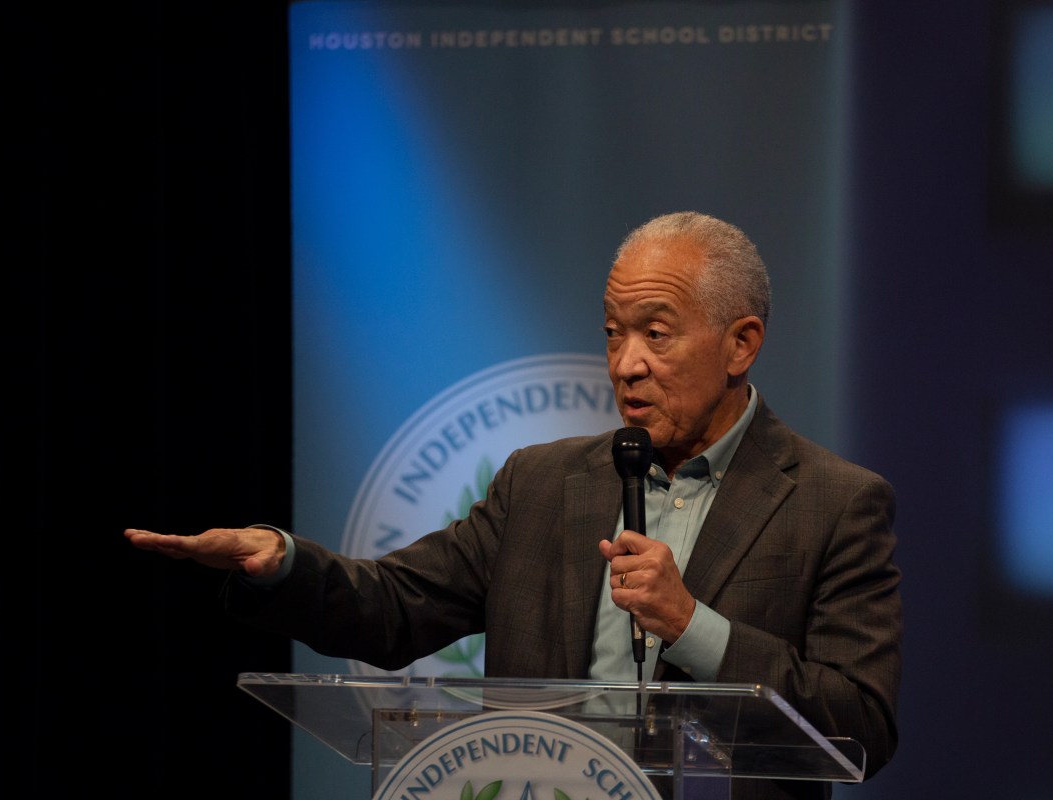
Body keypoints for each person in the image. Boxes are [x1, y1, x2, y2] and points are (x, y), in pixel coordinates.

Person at [126, 211, 902, 798]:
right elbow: (396, 608)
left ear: (741, 344)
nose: (626, 365)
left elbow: (859, 723)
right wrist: (281, 562)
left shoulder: (835, 504)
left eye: (657, 334)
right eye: (612, 334)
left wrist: (689, 625)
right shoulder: (541, 484)